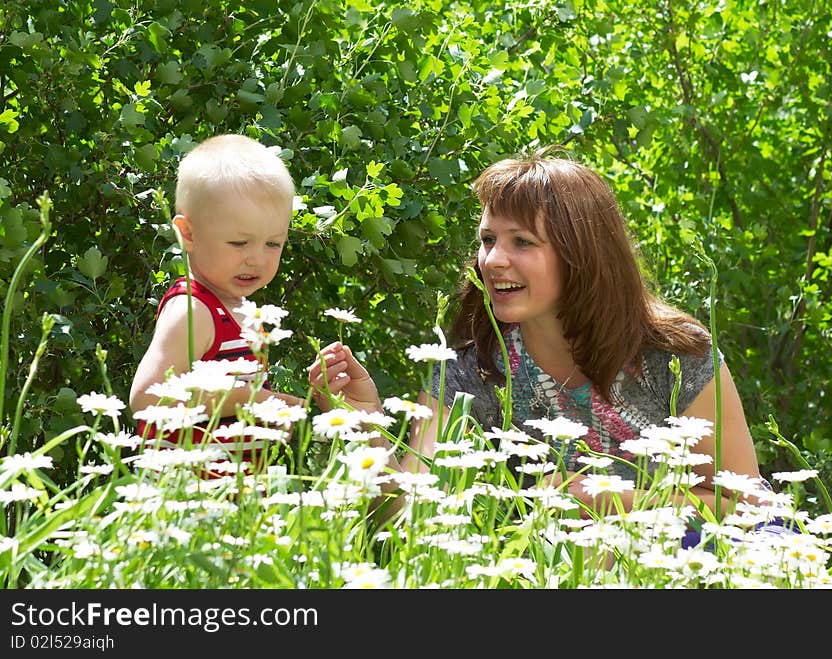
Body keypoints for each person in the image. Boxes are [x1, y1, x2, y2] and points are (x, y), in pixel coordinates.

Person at [308, 146, 765, 523]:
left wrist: (607, 503)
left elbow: (746, 503)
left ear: (581, 255)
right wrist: (361, 424)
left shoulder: (676, 355)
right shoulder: (473, 368)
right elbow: (408, 514)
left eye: (521, 242)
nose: (493, 260)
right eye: (488, 240)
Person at [130, 133, 308, 472]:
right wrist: (258, 401)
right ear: (188, 234)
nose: (257, 259)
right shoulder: (193, 310)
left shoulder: (242, 311)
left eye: (273, 244)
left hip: (234, 499)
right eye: (240, 243)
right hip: (186, 498)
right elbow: (148, 398)